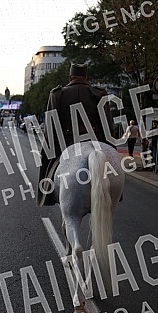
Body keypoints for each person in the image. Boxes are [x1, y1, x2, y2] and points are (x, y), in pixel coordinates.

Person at [36, 63, 114, 207]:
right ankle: (118, 194)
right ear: (86, 77)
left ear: (70, 77)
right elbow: (107, 124)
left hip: (67, 142)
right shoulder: (99, 93)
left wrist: (48, 148)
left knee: (46, 158)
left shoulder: (57, 94)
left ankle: (45, 195)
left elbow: (51, 125)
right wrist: (110, 147)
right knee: (114, 165)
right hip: (95, 141)